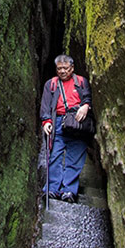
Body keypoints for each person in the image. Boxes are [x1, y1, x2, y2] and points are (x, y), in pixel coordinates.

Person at [40, 54, 92, 204]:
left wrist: (85, 106)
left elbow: (87, 97)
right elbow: (46, 104)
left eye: (65, 68)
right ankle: (52, 188)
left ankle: (69, 190)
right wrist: (46, 121)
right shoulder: (51, 84)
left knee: (75, 156)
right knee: (54, 154)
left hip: (77, 121)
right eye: (59, 69)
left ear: (72, 68)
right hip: (58, 122)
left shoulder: (81, 82)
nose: (62, 71)